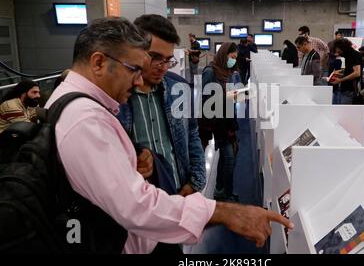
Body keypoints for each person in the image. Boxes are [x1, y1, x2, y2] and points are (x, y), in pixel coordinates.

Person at [45, 17, 292, 253]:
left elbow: (191, 133)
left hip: (167, 211)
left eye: (168, 60)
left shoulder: (170, 89)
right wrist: (227, 213)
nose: (137, 78)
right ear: (98, 62)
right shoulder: (88, 118)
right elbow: (137, 207)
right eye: (135, 67)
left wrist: (183, 177)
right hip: (136, 229)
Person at [119, 14, 206, 200]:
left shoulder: (179, 88)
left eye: (168, 59)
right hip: (135, 201)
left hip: (178, 192)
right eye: (155, 57)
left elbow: (192, 134)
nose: (164, 67)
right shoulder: (116, 96)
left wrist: (196, 182)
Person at [198, 42, 240, 202]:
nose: (233, 60)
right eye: (232, 57)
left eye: (235, 58)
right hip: (216, 121)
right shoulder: (210, 71)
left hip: (227, 119)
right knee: (228, 157)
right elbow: (207, 98)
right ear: (224, 54)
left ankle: (222, 190)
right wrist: (228, 97)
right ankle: (224, 192)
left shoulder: (227, 72)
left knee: (228, 157)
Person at [330, 38, 363, 104]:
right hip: (343, 87)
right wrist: (338, 73)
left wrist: (340, 80)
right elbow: (348, 70)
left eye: (339, 52)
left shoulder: (355, 55)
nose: (338, 54)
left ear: (344, 48)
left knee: (344, 112)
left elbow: (357, 73)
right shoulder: (347, 55)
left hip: (350, 88)